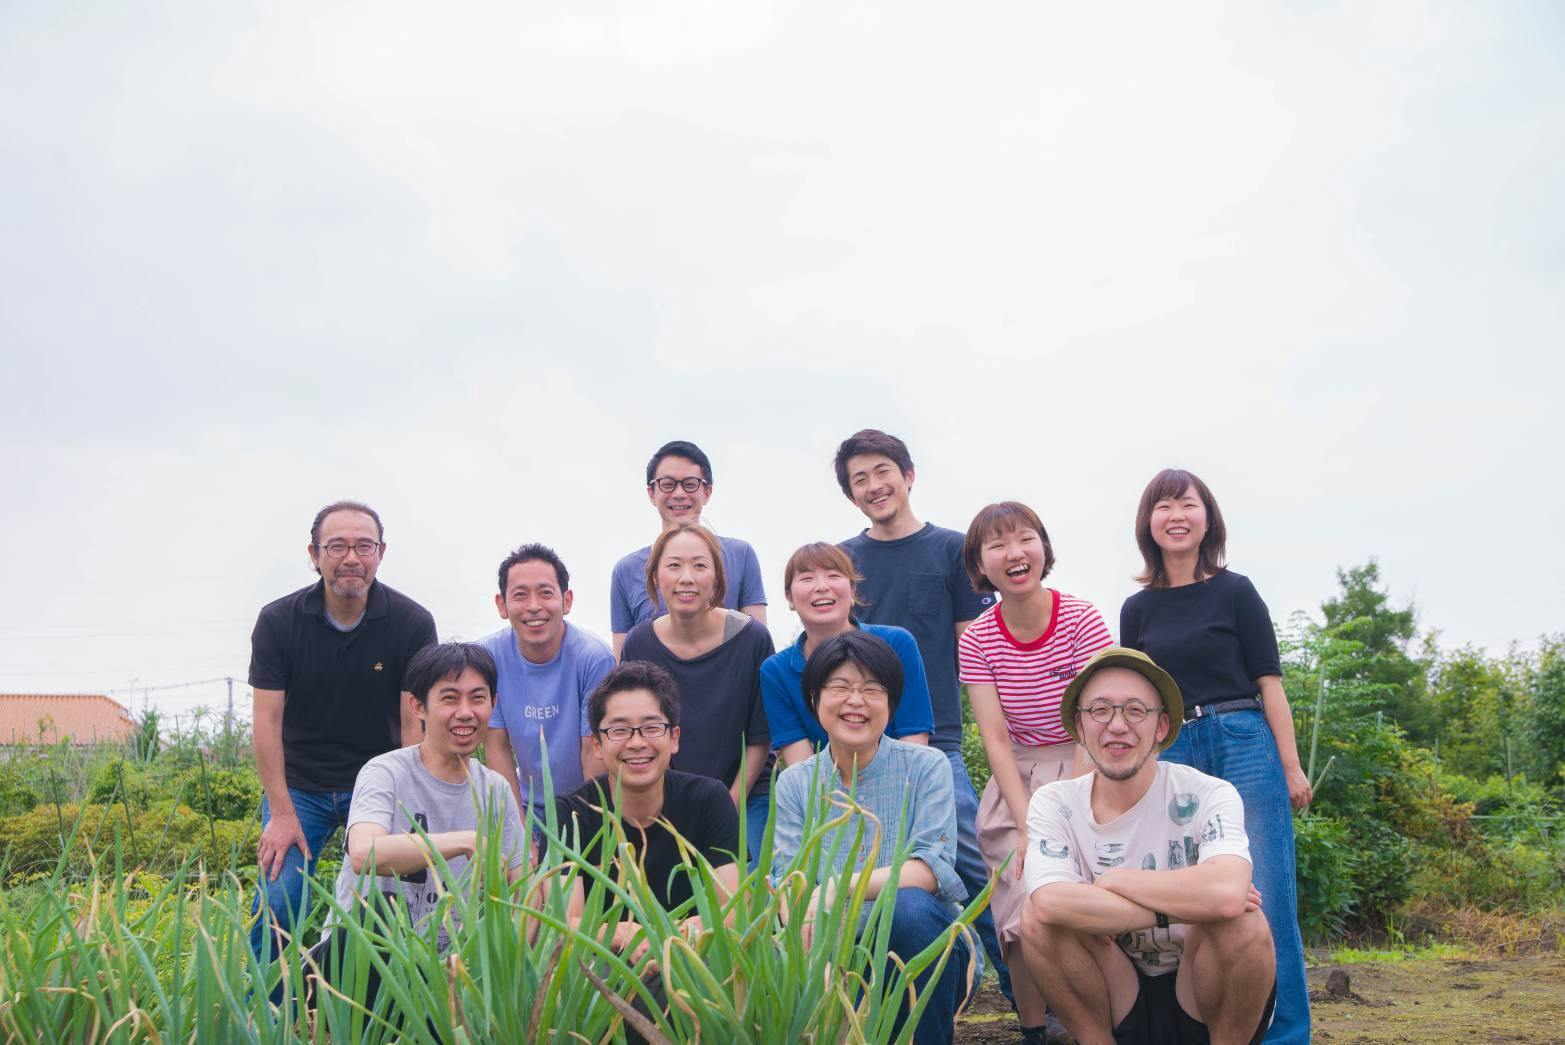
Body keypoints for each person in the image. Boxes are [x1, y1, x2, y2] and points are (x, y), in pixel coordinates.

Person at [1118, 469, 1311, 1044]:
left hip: (1242, 738)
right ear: (1148, 523)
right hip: (1173, 748)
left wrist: (1291, 766)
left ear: (1208, 519)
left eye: (1188, 504)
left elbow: (1270, 684)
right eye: (1163, 506)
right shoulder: (1136, 608)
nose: (1176, 516)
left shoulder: (1237, 591)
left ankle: (1285, 1035)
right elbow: (1138, 699)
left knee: (1266, 893)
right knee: (1186, 892)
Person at [1021, 647, 1276, 1045]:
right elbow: (1050, 902)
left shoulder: (1209, 793)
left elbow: (1228, 895)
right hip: (1115, 986)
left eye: (1135, 711)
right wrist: (1178, 908)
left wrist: (1114, 881)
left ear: (1161, 726)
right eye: (1100, 710)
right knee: (1037, 921)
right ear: (1080, 726)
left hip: (1200, 983)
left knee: (1243, 923)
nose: (1117, 725)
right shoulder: (1055, 802)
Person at [833, 429, 1008, 1000]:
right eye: (859, 479)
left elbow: (976, 650)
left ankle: (1033, 1007)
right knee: (861, 873)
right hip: (860, 752)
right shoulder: (843, 562)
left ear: (908, 476)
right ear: (851, 495)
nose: (873, 486)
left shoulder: (953, 551)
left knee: (980, 870)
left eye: (882, 471)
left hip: (940, 745)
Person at [248, 500, 437, 965]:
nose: (351, 557)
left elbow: (413, 724)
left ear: (381, 553)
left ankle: (373, 1003)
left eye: (364, 546)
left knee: (391, 906)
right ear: (315, 554)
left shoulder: (411, 623)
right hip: (299, 788)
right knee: (279, 900)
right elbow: (266, 724)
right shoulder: (278, 622)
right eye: (337, 546)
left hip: (379, 783)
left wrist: (405, 806)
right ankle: (267, 1006)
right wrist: (281, 813)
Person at [958, 501, 1115, 1040]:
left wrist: (1068, 810)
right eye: (997, 544)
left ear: (1043, 548)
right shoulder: (978, 639)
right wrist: (1030, 822)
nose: (1014, 553)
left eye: (1024, 538)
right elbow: (996, 738)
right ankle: (1034, 1029)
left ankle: (1102, 1022)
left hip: (1088, 762)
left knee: (1090, 897)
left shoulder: (1081, 619)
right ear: (980, 564)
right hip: (1018, 777)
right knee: (1017, 902)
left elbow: (1096, 717)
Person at [771, 631, 971, 1045]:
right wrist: (807, 943)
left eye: (872, 690)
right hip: (831, 956)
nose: (855, 701)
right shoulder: (795, 783)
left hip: (919, 948)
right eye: (840, 688)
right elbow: (790, 880)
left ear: (890, 703)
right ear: (815, 699)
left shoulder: (926, 766)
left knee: (911, 908)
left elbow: (930, 868)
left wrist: (835, 887)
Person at [329, 642, 529, 950]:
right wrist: (466, 841)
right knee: (379, 907)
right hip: (362, 956)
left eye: (478, 698)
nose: (465, 713)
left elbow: (524, 891)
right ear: (418, 706)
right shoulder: (385, 772)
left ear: (494, 703)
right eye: (450, 698)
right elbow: (363, 854)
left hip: (448, 964)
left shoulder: (495, 789)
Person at [555, 660, 741, 958]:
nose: (637, 742)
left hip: (693, 961)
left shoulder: (710, 800)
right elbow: (564, 921)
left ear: (674, 738)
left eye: (651, 727)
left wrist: (668, 938)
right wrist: (623, 935)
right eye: (619, 730)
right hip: (602, 967)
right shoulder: (571, 813)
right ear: (597, 744)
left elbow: (732, 909)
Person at [620, 524, 775, 858]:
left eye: (700, 565)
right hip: (669, 798)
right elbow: (640, 734)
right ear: (656, 577)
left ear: (717, 578)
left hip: (746, 793)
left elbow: (760, 738)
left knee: (745, 881)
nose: (686, 578)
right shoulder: (639, 643)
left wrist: (726, 807)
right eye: (674, 565)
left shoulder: (752, 639)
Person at [761, 541, 934, 767]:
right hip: (826, 785)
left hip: (903, 778)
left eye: (833, 575)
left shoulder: (897, 644)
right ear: (790, 597)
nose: (821, 586)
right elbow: (802, 768)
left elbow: (914, 743)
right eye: (807, 578)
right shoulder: (776, 672)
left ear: (852, 590)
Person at [480, 543, 616, 816]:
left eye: (545, 593)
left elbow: (593, 751)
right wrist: (519, 829)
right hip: (524, 803)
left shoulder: (594, 658)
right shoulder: (489, 657)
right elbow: (496, 747)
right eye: (520, 595)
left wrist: (588, 825)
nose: (534, 607)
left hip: (583, 803)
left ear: (567, 601)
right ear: (502, 605)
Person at [609, 439, 767, 656]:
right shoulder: (625, 571)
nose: (679, 493)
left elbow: (756, 649)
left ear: (707, 492)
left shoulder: (742, 555)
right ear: (651, 493)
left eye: (690, 484)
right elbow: (623, 662)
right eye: (667, 484)